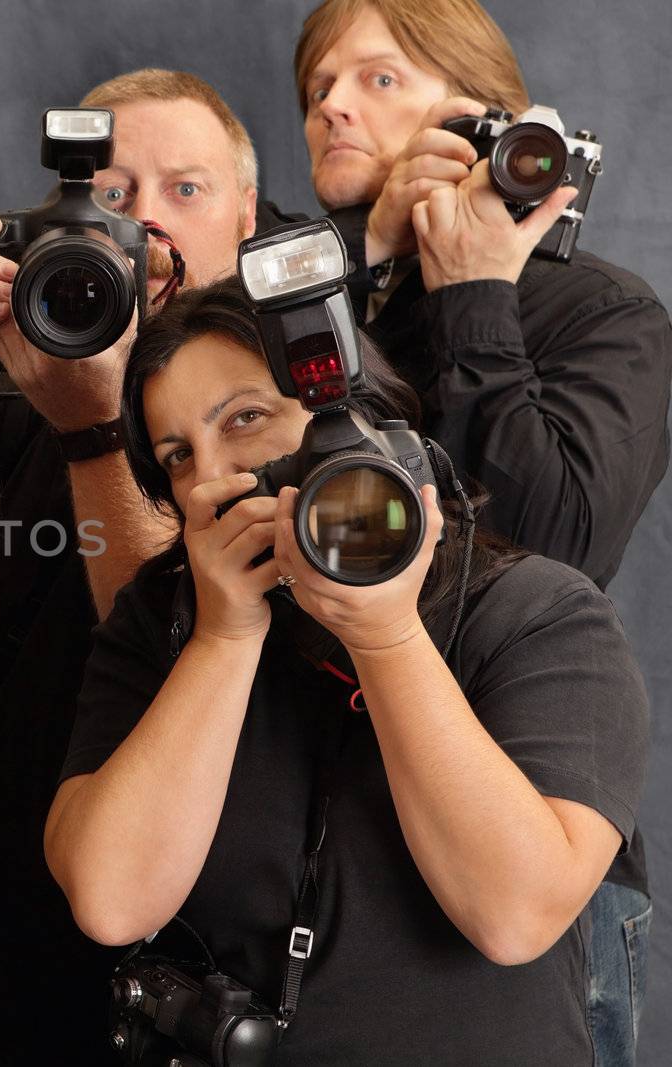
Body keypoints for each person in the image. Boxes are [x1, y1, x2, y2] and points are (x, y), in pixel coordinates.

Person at [46, 279, 649, 1066]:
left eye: (246, 419)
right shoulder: (163, 623)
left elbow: (514, 912)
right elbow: (110, 898)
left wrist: (387, 633)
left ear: (358, 421)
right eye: (178, 459)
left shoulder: (539, 612)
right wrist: (224, 638)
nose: (216, 476)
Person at [294, 2, 672, 1057]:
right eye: (317, 87)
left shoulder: (605, 313)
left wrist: (470, 294)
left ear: (478, 115)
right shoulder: (287, 303)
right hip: (302, 838)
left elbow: (550, 542)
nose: (330, 103)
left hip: (523, 841)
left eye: (375, 79)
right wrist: (356, 282)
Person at [0, 69, 277, 1064]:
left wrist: (93, 426)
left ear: (247, 216)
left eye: (186, 189)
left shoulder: (287, 414)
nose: (147, 225)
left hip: (208, 949)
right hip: (12, 919)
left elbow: (188, 635)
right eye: (114, 196)